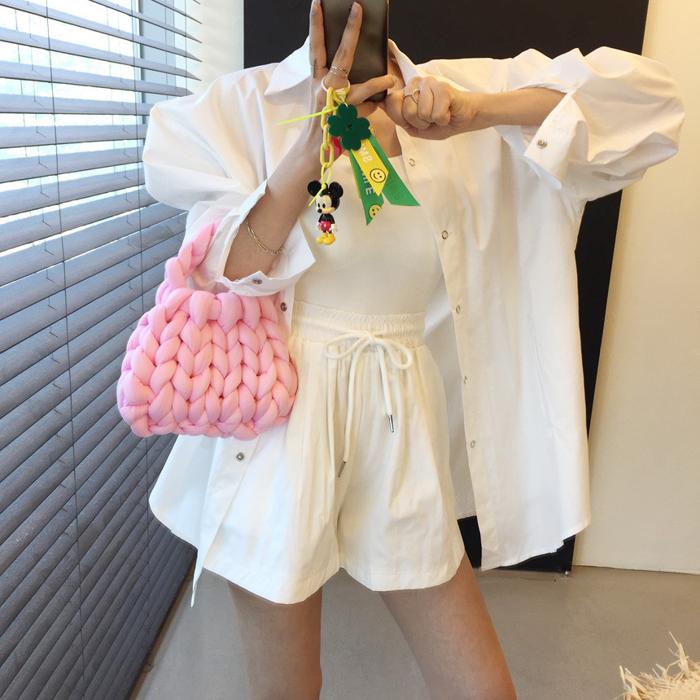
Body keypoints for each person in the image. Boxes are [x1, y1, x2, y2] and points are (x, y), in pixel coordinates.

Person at [142, 1, 684, 698]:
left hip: (400, 417)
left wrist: (481, 113)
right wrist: (305, 155)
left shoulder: (459, 91)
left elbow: (652, 107)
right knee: (287, 691)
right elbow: (224, 274)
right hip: (281, 427)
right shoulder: (244, 106)